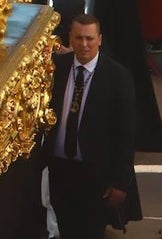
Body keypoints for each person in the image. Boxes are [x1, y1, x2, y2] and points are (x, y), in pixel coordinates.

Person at [45, 15, 137, 239]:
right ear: (70, 38)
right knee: (65, 225)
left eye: (90, 38)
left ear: (100, 39)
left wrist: (119, 182)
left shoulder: (117, 77)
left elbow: (126, 133)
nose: (84, 44)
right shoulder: (57, 68)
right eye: (78, 38)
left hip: (94, 174)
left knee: (90, 231)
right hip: (60, 168)